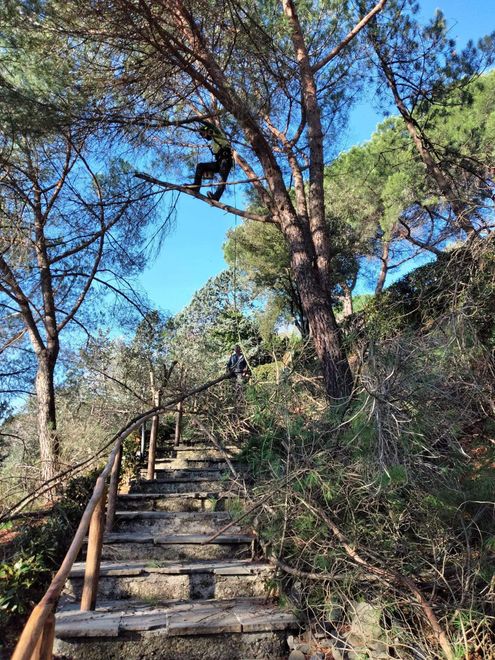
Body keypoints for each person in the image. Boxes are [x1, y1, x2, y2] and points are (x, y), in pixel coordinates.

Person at [191, 121, 233, 201]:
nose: (204, 137)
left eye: (203, 134)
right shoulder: (213, 141)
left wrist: (198, 119)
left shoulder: (217, 133)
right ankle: (196, 187)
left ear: (208, 130)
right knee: (201, 166)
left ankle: (216, 197)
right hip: (219, 161)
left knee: (222, 178)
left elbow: (211, 126)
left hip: (226, 160)